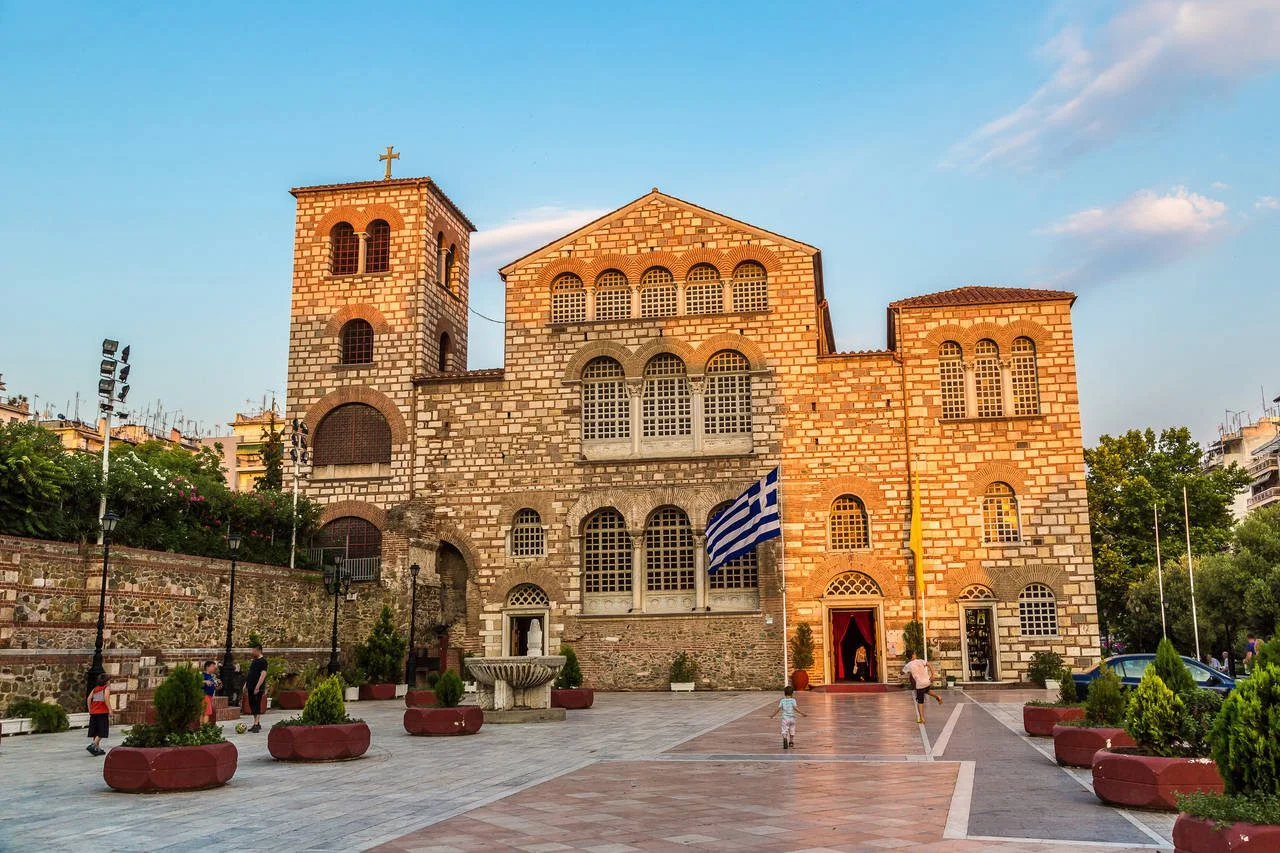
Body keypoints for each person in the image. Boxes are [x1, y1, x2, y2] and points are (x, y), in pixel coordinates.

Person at [901, 648, 941, 724]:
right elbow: (930, 665)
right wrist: (933, 675)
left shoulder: (908, 665)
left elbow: (902, 672)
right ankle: (938, 697)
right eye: (915, 653)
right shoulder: (920, 661)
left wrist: (901, 672)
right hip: (927, 681)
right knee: (927, 690)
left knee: (920, 702)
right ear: (913, 655)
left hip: (920, 684)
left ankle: (922, 718)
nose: (915, 654)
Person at [769, 684, 807, 749]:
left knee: (784, 730)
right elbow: (795, 708)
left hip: (785, 718)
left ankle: (785, 738)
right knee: (792, 729)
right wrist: (802, 713)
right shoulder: (793, 700)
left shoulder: (782, 701)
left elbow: (778, 709)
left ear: (784, 693)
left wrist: (773, 715)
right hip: (792, 718)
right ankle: (791, 742)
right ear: (792, 693)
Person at [244, 643, 268, 733]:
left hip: (257, 687)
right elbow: (250, 673)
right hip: (250, 685)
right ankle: (257, 723)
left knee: (257, 704)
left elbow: (263, 674)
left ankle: (256, 723)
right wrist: (246, 684)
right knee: (252, 704)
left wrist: (257, 687)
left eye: (254, 650)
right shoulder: (254, 661)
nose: (252, 652)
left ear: (259, 650)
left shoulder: (263, 661)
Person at [86, 673, 110, 756]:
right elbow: (106, 699)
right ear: (106, 682)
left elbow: (89, 698)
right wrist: (110, 710)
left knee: (96, 730)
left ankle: (97, 749)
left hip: (94, 712)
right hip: (102, 712)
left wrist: (90, 709)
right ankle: (93, 745)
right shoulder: (106, 689)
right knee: (102, 730)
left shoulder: (95, 689)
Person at [201, 660, 220, 724]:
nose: (214, 667)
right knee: (206, 712)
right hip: (204, 695)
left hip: (210, 696)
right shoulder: (203, 675)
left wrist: (218, 686)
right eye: (212, 666)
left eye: (214, 666)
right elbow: (197, 681)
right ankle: (204, 728)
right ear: (207, 667)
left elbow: (215, 686)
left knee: (204, 712)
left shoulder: (212, 676)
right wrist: (205, 681)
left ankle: (202, 727)